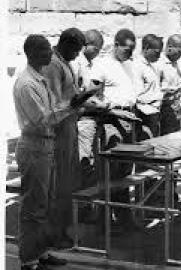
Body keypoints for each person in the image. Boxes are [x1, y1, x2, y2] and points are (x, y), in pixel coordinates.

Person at [13, 34, 84, 270]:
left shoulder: (39, 78)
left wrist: (70, 104)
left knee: (45, 203)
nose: (49, 54)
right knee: (33, 206)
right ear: (32, 53)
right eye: (45, 51)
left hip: (45, 145)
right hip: (34, 146)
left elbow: (51, 109)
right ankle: (28, 259)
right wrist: (71, 106)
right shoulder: (27, 84)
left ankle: (41, 252)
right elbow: (42, 119)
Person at [41, 27, 86, 248]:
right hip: (58, 132)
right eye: (76, 51)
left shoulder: (64, 62)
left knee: (67, 183)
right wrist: (77, 101)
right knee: (58, 184)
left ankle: (61, 230)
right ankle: (53, 234)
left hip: (69, 127)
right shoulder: (52, 63)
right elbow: (53, 104)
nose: (77, 55)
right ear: (66, 44)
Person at [90, 28, 138, 144]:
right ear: (116, 45)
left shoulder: (130, 65)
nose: (129, 54)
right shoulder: (102, 65)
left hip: (130, 117)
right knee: (113, 157)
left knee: (129, 158)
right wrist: (112, 111)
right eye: (126, 50)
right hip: (111, 119)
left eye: (132, 50)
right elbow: (93, 97)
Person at [72, 30, 107, 187]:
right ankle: (83, 202)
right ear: (86, 45)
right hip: (83, 118)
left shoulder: (89, 65)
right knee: (84, 160)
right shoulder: (77, 64)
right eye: (97, 49)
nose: (98, 53)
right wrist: (96, 103)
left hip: (92, 117)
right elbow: (75, 97)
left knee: (91, 158)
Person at [135, 34, 164, 138]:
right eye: (156, 52)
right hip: (145, 115)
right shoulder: (137, 67)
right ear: (146, 48)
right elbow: (138, 96)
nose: (159, 56)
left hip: (154, 112)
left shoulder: (152, 67)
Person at [159, 34, 181, 135]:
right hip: (163, 110)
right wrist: (167, 90)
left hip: (175, 110)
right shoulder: (159, 64)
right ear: (170, 48)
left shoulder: (175, 64)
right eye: (180, 51)